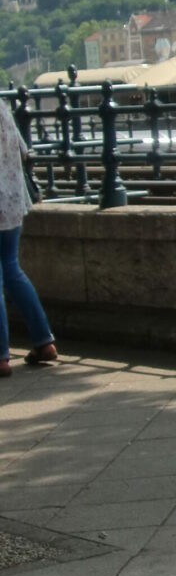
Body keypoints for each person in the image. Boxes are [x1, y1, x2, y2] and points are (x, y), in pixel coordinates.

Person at [0, 98, 58, 376]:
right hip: (11, 202)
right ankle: (43, 340)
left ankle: (1, 355)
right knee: (11, 269)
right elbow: (24, 151)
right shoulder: (1, 106)